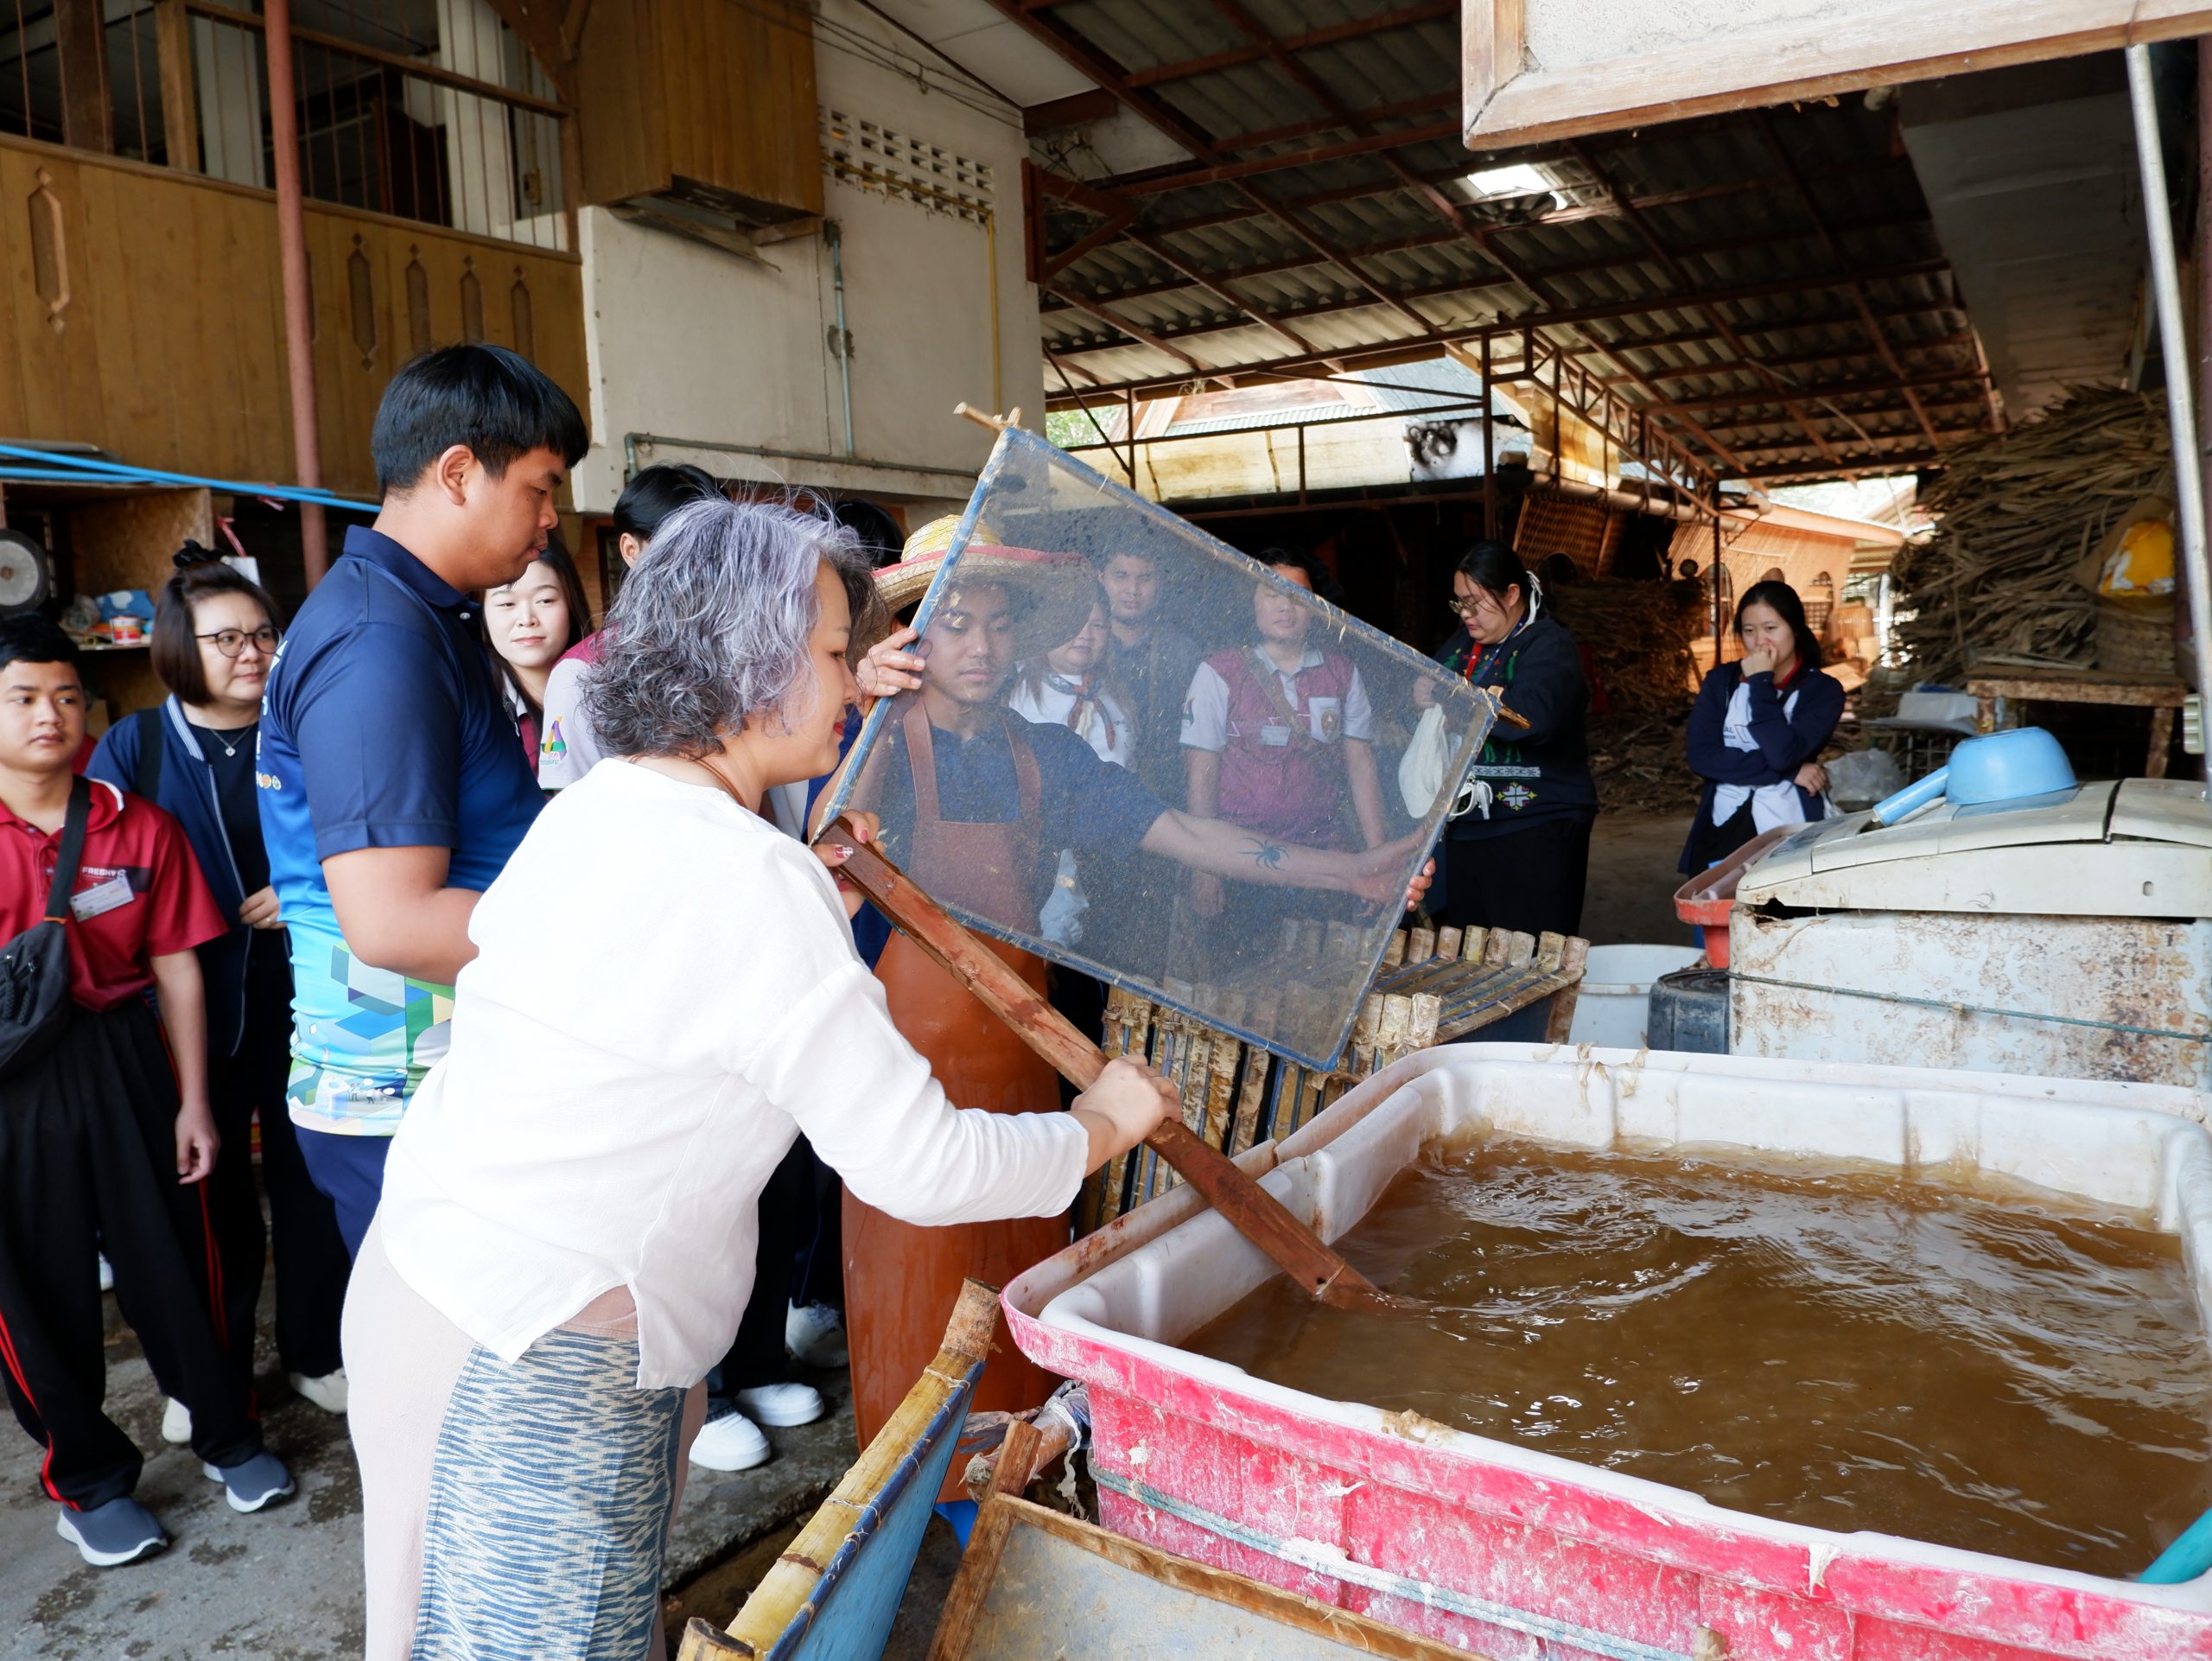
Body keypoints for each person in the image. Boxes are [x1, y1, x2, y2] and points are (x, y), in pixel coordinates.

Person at [342, 497, 1182, 1659]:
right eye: (835, 654)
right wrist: (1100, 1122)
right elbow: (921, 1164)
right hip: (541, 1356)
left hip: (422, 1279)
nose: (851, 684)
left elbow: (663, 974)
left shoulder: (606, 800)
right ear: (755, 661)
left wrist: (809, 892)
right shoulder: (748, 876)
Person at [843, 545, 1429, 1469]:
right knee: (913, 1280)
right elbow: (817, 847)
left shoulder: (1046, 755)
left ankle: (1018, 1463)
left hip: (1023, 1051)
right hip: (896, 1061)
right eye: (954, 624)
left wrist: (1348, 869)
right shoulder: (863, 746)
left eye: (1000, 624)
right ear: (904, 639)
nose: (981, 646)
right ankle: (909, 1479)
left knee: (1019, 1264)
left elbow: (1184, 830)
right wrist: (861, 705)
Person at [257, 342, 588, 1253]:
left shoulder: (415, 615)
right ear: (457, 473)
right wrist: (610, 950)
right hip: (404, 1094)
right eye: (540, 488)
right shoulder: (378, 641)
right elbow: (393, 922)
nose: (550, 520)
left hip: (442, 1078)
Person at [0, 615, 295, 1569]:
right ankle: (88, 1483)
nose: (49, 714)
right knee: (35, 1290)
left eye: (65, 695)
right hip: (11, 1084)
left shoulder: (136, 824)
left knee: (178, 1258)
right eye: (23, 697)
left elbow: (176, 966)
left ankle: (228, 1435)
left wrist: (195, 1099)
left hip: (128, 1056)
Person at [89, 555, 353, 1441]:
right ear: (180, 648)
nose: (252, 652)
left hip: (306, 994)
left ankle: (316, 1351)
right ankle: (211, 1374)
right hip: (186, 1012)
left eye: (264, 633)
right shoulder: (137, 747)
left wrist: (310, 882)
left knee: (311, 1181)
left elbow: (366, 834)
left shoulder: (307, 729)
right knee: (207, 1200)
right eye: (227, 638)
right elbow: (99, 868)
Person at [1182, 550, 1386, 964]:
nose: (1285, 606)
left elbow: (1361, 766)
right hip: (1243, 860)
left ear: (1316, 605)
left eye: (1298, 595)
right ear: (1251, 602)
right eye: (1272, 594)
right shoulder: (1218, 672)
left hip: (1325, 859)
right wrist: (1204, 868)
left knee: (1322, 975)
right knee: (1243, 977)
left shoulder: (1341, 672)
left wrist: (1376, 859)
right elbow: (1201, 771)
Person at [1420, 539, 1597, 939]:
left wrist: (1450, 699)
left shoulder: (1547, 644)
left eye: (1475, 603)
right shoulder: (1465, 643)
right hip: (1470, 822)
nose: (1466, 614)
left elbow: (1531, 718)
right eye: (1459, 603)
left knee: (1529, 948)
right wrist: (1428, 694)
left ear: (1512, 593)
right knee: (1472, 949)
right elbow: (1424, 683)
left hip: (1535, 822)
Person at [536, 462, 720, 790]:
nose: (700, 567)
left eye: (715, 550)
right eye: (680, 548)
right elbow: (571, 805)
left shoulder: (740, 655)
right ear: (631, 550)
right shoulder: (582, 675)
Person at [1680, 579, 1843, 873]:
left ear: (1795, 628)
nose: (1760, 642)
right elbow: (1702, 756)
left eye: (1771, 628)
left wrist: (1760, 681)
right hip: (1723, 823)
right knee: (1718, 896)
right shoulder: (1721, 682)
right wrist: (1791, 772)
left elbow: (1783, 753)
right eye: (1749, 631)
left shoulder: (1823, 691)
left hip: (1791, 826)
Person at [1008, 588, 1131, 946]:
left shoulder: (1118, 695)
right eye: (1073, 623)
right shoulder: (1015, 688)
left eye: (1098, 625)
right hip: (1041, 849)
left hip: (1108, 850)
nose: (1085, 635)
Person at [481, 532, 591, 772]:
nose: (526, 619)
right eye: (507, 604)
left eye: (545, 600)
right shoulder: (474, 705)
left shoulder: (610, 693)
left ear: (571, 604)